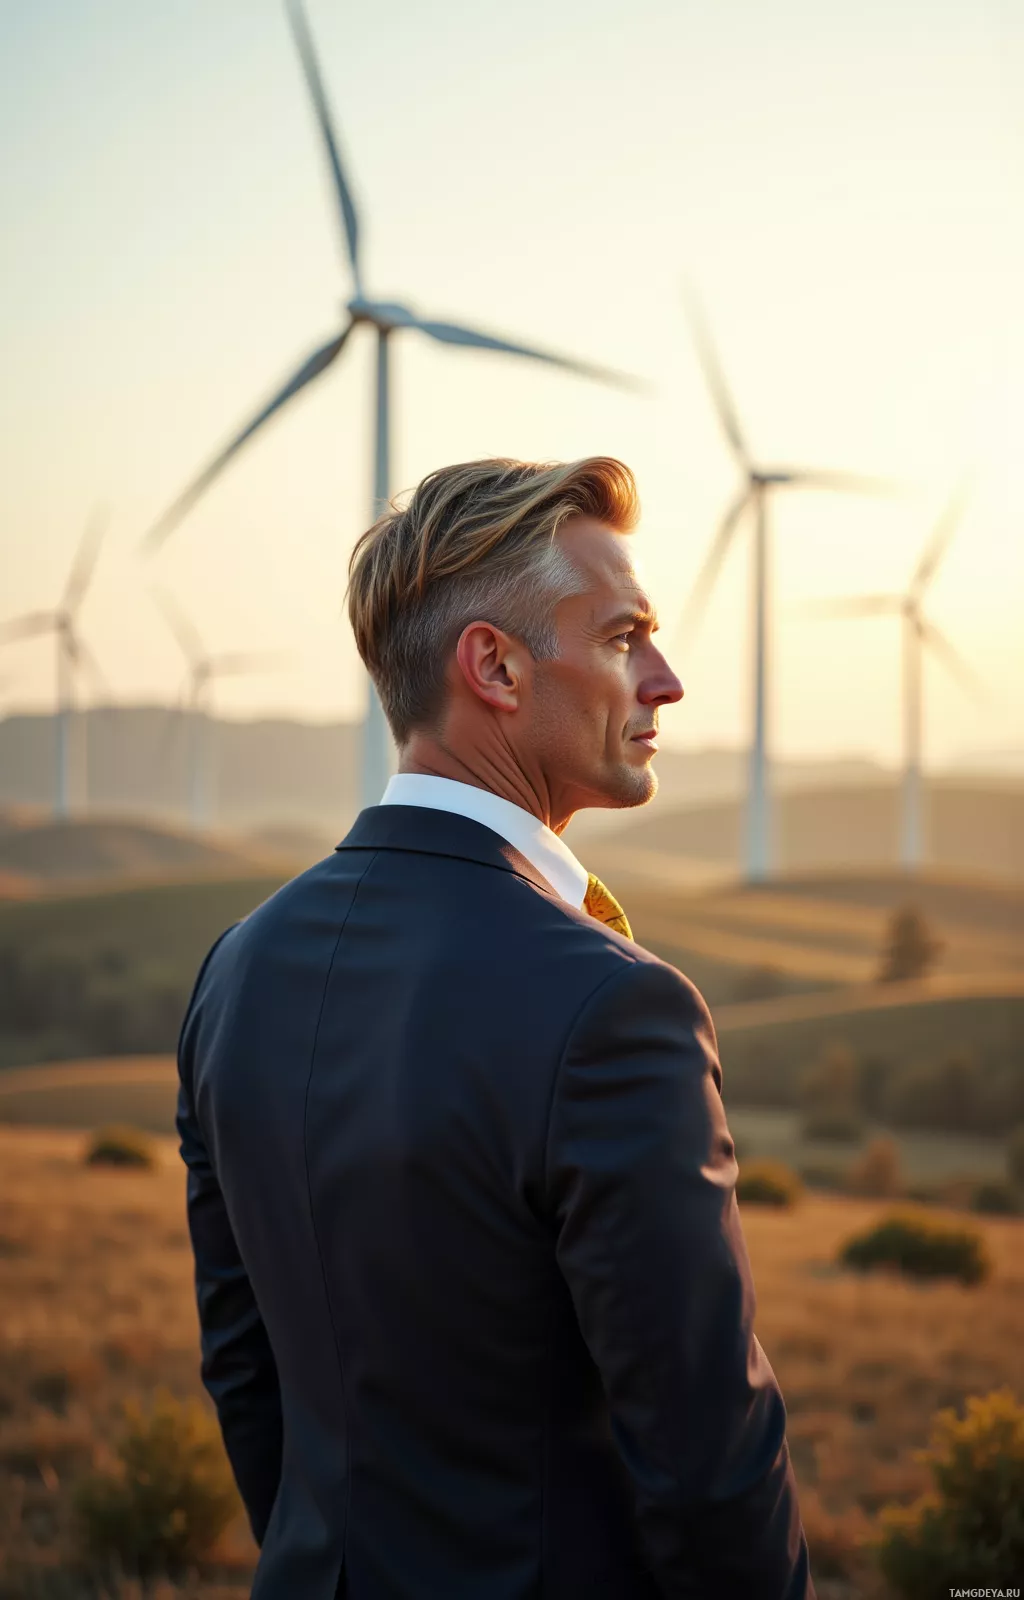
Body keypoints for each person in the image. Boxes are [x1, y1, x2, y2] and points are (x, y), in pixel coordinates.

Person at [177, 456, 815, 1599]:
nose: (664, 681)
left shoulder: (237, 970)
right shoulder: (615, 1008)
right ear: (496, 667)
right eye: (624, 637)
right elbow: (707, 1461)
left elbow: (249, 1376)